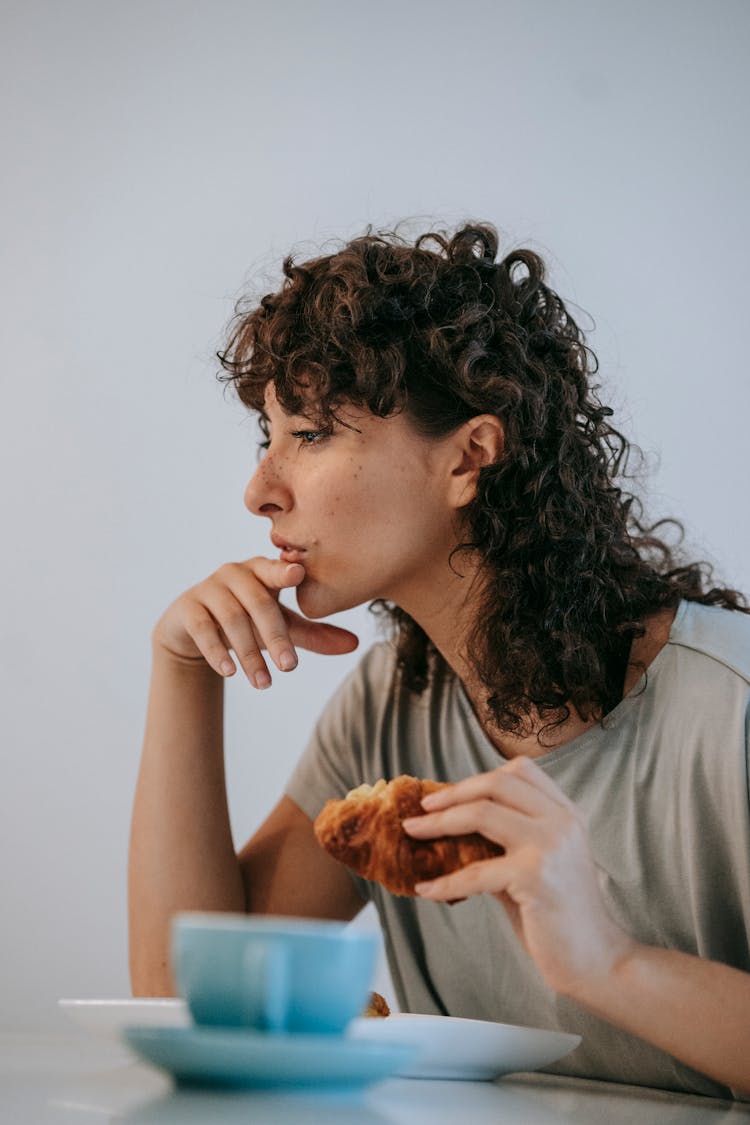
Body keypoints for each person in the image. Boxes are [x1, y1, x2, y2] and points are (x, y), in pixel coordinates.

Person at [128, 223, 750, 1098]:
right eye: (265, 438)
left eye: (307, 434)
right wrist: (183, 671)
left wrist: (607, 962)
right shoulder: (392, 705)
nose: (260, 489)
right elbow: (193, 1001)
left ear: (468, 456)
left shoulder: (733, 709)